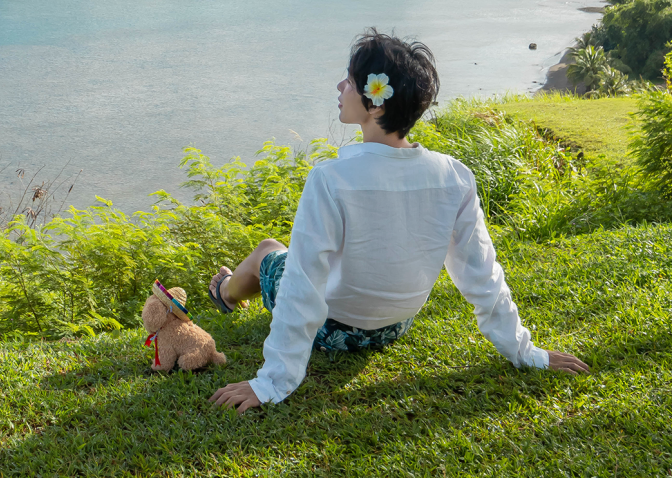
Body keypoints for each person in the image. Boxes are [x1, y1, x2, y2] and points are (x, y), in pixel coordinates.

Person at [209, 30, 589, 414]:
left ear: (375, 104)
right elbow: (482, 275)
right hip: (394, 326)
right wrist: (524, 351)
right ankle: (227, 287)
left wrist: (271, 382)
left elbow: (302, 286)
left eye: (351, 81)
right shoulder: (454, 175)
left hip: (334, 330)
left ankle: (224, 292)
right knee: (289, 256)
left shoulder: (330, 177)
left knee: (268, 252)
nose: (340, 86)